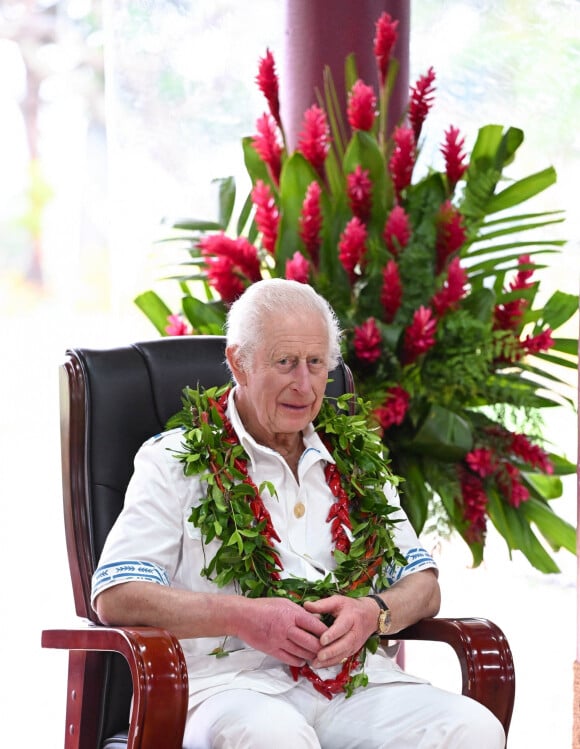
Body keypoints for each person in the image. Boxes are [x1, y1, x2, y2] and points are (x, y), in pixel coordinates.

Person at [92, 278, 506, 748]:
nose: (304, 386)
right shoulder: (175, 458)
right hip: (231, 691)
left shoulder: (355, 457)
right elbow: (117, 594)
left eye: (316, 364)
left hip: (353, 684)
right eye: (285, 362)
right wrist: (244, 617)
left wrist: (374, 613)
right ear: (238, 363)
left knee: (474, 728)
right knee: (275, 736)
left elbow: (423, 586)